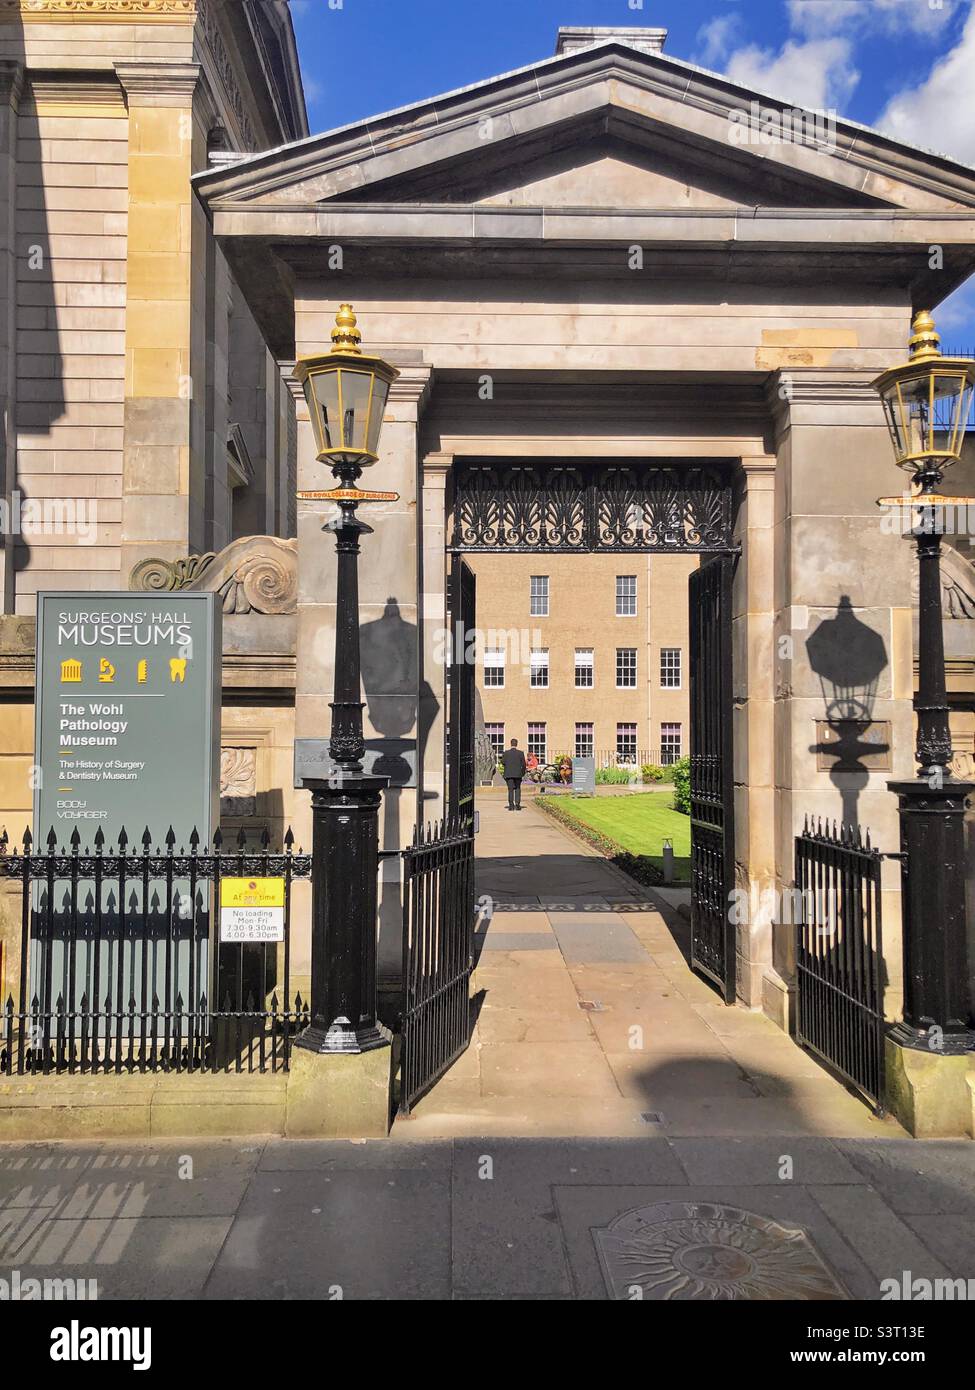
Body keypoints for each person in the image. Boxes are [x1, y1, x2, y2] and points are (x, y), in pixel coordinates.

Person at [500, 738, 527, 811]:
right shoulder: (520, 753)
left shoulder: (506, 753)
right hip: (518, 774)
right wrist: (522, 773)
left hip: (508, 774)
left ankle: (511, 806)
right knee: (517, 789)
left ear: (510, 744)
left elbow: (502, 762)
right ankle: (517, 805)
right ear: (516, 744)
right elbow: (524, 765)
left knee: (510, 790)